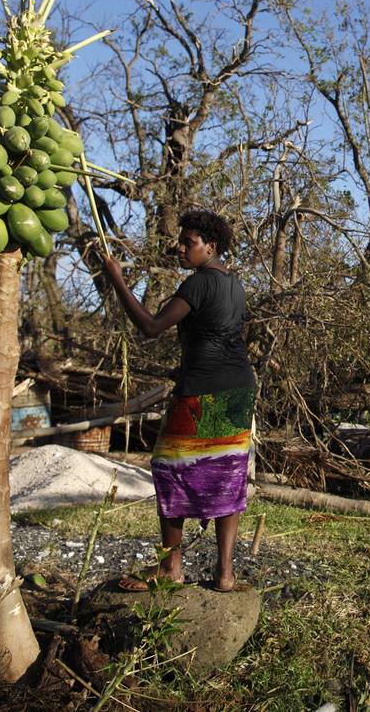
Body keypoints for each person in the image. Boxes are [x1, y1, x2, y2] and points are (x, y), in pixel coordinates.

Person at [101, 209, 257, 593]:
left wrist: (117, 279)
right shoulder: (233, 283)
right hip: (237, 390)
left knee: (169, 469)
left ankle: (171, 568)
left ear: (211, 247)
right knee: (226, 475)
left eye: (188, 242)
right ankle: (225, 574)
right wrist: (185, 368)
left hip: (202, 396)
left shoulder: (199, 282)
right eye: (181, 241)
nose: (180, 248)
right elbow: (219, 337)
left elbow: (151, 327)